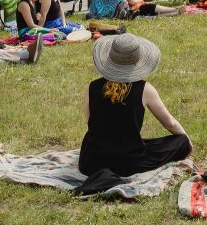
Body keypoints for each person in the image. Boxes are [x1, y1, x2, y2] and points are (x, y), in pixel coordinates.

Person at [78, 34, 191, 176]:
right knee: (180, 141)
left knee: (110, 139)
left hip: (91, 162)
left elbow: (91, 124)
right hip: (128, 163)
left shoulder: (91, 87)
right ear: (137, 61)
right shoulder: (145, 89)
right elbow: (170, 124)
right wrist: (187, 140)